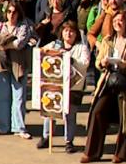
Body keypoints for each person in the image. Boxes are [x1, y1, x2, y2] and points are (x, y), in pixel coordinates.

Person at [82, 11, 126, 164]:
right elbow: (98, 61)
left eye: (120, 20)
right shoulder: (108, 40)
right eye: (115, 21)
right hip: (109, 80)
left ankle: (120, 153)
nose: (117, 23)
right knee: (97, 112)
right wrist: (102, 63)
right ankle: (92, 152)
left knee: (125, 117)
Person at [37, 21, 91, 152]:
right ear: (62, 32)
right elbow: (41, 51)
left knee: (70, 115)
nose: (69, 33)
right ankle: (46, 136)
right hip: (56, 85)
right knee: (50, 110)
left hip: (74, 87)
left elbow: (85, 62)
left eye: (72, 31)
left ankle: (69, 141)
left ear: (76, 34)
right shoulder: (55, 44)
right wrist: (53, 53)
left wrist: (70, 60)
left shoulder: (81, 47)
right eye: (66, 30)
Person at [0, 1, 32, 137]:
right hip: (1, 63)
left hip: (18, 64)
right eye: (9, 12)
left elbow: (19, 43)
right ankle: (3, 126)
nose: (11, 15)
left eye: (14, 12)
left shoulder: (23, 26)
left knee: (18, 96)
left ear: (18, 13)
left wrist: (4, 45)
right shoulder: (1, 25)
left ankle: (18, 127)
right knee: (2, 97)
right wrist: (4, 43)